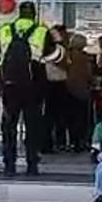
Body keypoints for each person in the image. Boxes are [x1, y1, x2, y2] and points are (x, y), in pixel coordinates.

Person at [0, 0, 65, 177]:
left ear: (19, 13)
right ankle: (31, 165)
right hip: (34, 88)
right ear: (34, 14)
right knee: (33, 127)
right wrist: (57, 40)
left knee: (9, 127)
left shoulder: (5, 30)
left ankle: (9, 165)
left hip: (10, 88)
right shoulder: (41, 32)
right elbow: (57, 57)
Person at [43, 25, 71, 153]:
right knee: (55, 115)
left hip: (55, 83)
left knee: (56, 115)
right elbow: (62, 62)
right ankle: (53, 143)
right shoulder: (55, 50)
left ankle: (55, 142)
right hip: (54, 83)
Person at [64, 33, 94, 152]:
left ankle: (72, 141)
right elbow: (88, 74)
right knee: (82, 118)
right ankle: (82, 141)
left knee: (71, 118)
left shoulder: (67, 56)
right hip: (82, 91)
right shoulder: (85, 58)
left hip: (68, 89)